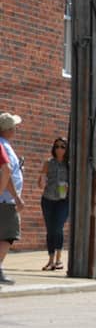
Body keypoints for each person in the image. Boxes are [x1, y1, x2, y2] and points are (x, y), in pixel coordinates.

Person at [38, 137, 70, 271]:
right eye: (57, 146)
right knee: (50, 230)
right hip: (48, 199)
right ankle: (50, 260)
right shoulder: (48, 162)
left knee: (58, 228)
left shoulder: (69, 164)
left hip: (63, 201)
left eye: (63, 146)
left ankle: (58, 260)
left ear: (67, 149)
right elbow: (41, 181)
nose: (59, 149)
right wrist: (41, 181)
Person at [0, 112, 25, 285]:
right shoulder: (2, 145)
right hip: (6, 200)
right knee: (8, 236)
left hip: (5, 199)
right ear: (8, 129)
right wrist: (16, 197)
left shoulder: (5, 145)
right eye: (14, 127)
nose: (16, 129)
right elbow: (5, 171)